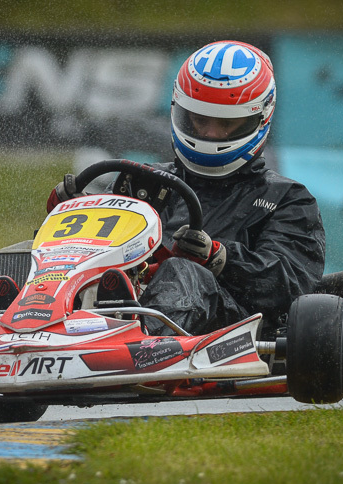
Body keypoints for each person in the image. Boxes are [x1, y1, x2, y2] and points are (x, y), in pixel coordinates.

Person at [48, 40, 326, 338]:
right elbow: (103, 251)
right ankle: (29, 328)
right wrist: (75, 213)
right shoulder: (144, 183)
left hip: (233, 330)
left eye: (226, 123)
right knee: (33, 257)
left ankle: (140, 342)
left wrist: (220, 259)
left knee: (183, 272)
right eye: (200, 119)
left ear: (259, 118)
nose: (210, 133)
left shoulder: (286, 199)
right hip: (127, 307)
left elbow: (290, 284)